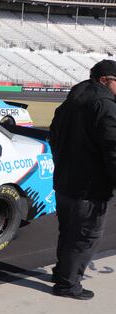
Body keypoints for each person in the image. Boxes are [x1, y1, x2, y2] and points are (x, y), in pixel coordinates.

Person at [49, 59, 116, 300]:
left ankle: (61, 274)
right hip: (89, 188)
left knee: (68, 232)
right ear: (104, 80)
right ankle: (68, 285)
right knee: (85, 237)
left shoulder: (70, 102)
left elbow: (53, 138)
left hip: (65, 182)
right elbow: (113, 149)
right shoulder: (105, 105)